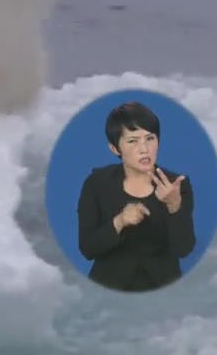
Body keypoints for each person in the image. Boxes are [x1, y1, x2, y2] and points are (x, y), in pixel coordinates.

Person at [76, 101, 196, 292]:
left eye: (150, 139)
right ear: (115, 149)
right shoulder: (96, 183)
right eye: (133, 141)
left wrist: (174, 206)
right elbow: (87, 248)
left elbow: (184, 249)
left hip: (162, 289)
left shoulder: (176, 185)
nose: (144, 149)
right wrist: (119, 222)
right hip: (108, 290)